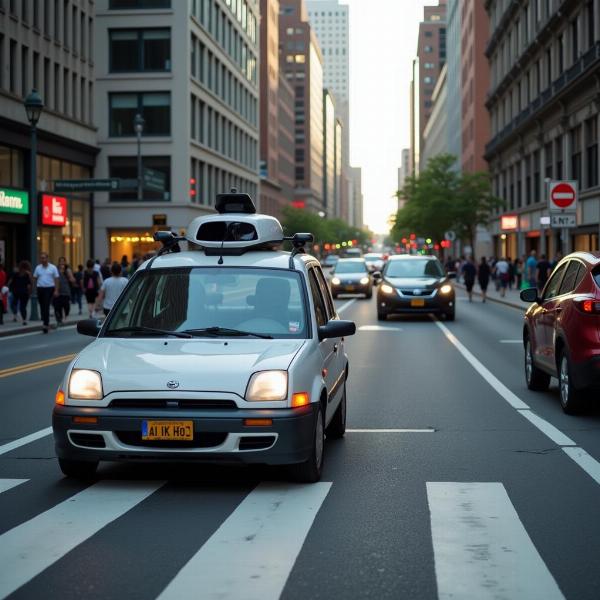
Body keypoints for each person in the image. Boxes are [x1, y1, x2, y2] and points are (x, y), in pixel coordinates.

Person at [33, 253, 59, 333]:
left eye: (44, 258)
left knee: (46, 305)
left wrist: (56, 290)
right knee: (42, 305)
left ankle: (46, 324)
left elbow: (56, 279)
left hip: (49, 288)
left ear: (47, 258)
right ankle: (44, 319)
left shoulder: (53, 267)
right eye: (41, 258)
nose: (43, 260)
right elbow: (34, 278)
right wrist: (34, 289)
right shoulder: (38, 268)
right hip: (40, 288)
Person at [7, 261, 33, 325]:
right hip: (21, 292)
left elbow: (10, 282)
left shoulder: (21, 274)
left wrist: (8, 286)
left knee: (17, 305)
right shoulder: (17, 274)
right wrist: (29, 293)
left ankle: (20, 318)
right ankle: (23, 319)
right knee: (21, 306)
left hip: (18, 292)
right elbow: (30, 285)